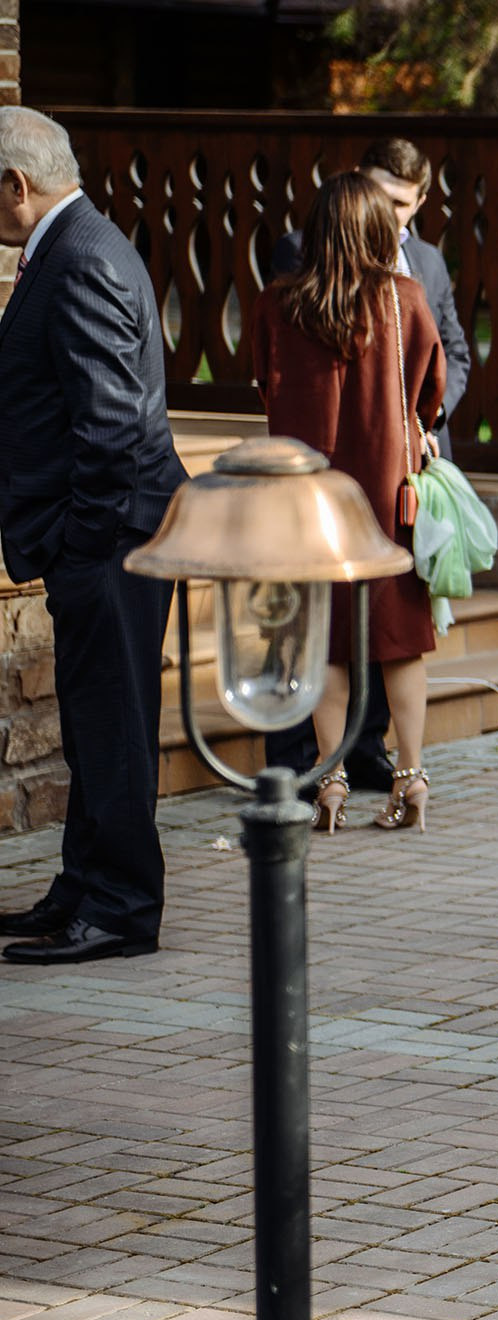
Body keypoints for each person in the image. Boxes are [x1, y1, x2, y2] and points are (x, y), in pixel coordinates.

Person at [0, 107, 188, 965]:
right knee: (91, 725)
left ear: (15, 185)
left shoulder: (80, 259)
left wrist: (79, 547)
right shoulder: (79, 244)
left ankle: (118, 907)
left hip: (114, 540)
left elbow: (110, 431)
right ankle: (83, 888)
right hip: (106, 536)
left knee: (110, 728)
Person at [265, 137, 472, 793]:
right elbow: (433, 386)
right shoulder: (403, 299)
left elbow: (265, 387)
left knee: (325, 640)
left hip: (309, 494)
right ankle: (410, 774)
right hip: (386, 494)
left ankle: (330, 781)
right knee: (399, 638)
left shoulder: (279, 304)